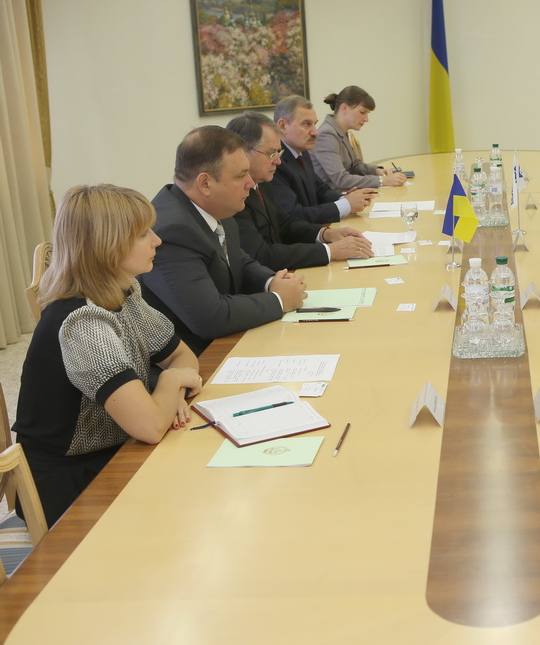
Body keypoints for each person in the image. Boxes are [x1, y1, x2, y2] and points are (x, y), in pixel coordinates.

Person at [14, 184, 203, 526]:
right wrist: (171, 383)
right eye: (143, 234)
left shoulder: (123, 291)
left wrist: (171, 396)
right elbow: (149, 426)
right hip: (68, 484)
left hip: (112, 451)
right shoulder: (82, 322)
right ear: (107, 245)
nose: (157, 240)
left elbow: (183, 356)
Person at [141, 126, 307, 355]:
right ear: (205, 183)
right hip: (197, 359)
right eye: (240, 175)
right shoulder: (171, 231)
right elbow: (210, 317)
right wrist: (279, 300)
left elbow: (238, 261)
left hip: (229, 342)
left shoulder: (217, 209)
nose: (251, 183)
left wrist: (271, 281)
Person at [226, 112, 373, 268]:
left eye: (279, 153)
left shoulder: (261, 181)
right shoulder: (232, 195)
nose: (278, 161)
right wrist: (330, 251)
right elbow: (261, 254)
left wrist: (325, 234)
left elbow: (284, 223)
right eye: (271, 153)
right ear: (242, 152)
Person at [271, 95, 376, 224]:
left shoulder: (302, 152)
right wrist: (346, 205)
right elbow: (295, 214)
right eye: (306, 124)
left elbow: (320, 190)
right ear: (283, 126)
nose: (315, 132)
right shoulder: (274, 162)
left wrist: (346, 199)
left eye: (314, 124)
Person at [310, 86, 406, 191]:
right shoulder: (327, 134)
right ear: (344, 108)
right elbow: (341, 179)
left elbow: (354, 165)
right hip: (333, 196)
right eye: (362, 112)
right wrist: (382, 180)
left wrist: (377, 171)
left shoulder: (340, 131)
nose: (366, 119)